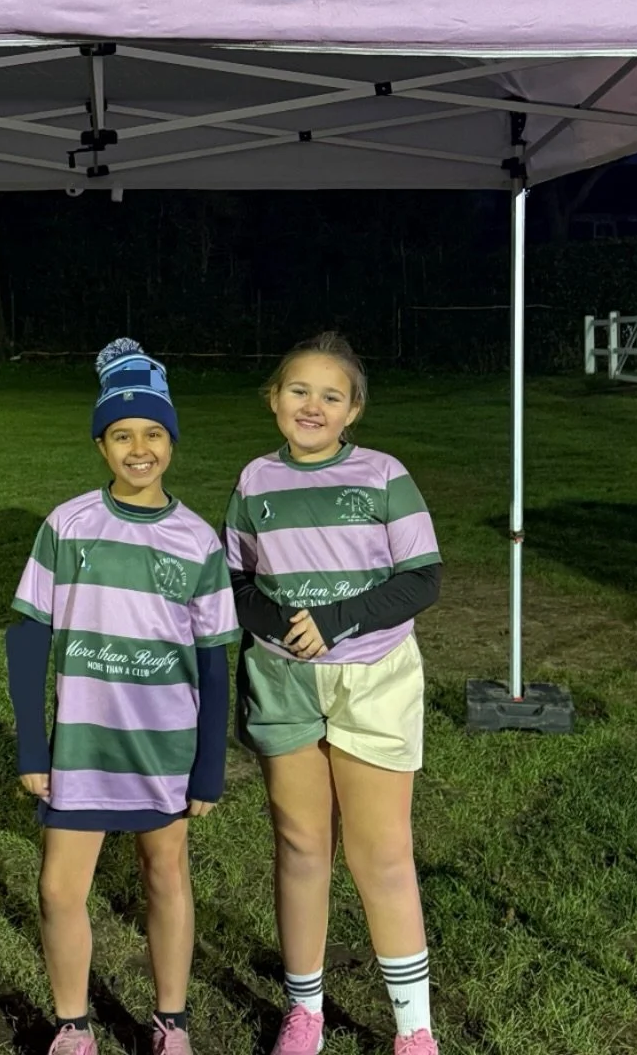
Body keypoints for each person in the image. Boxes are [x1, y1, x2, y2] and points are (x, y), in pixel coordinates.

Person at [7, 338, 239, 1055]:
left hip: (163, 744)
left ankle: (171, 1022)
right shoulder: (67, 526)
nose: (139, 449)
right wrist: (31, 743)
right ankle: (74, 1026)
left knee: (164, 874)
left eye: (152, 434)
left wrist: (207, 765)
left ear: (171, 440)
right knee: (57, 888)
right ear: (101, 444)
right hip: (83, 743)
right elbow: (27, 638)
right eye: (121, 435)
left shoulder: (198, 541)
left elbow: (212, 664)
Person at [224, 332, 444, 1055]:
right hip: (282, 679)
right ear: (273, 400)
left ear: (354, 411)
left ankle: (414, 1030)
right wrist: (283, 631)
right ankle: (305, 1012)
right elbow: (236, 586)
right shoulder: (255, 480)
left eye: (330, 395)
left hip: (373, 678)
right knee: (299, 844)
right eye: (298, 391)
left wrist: (339, 618)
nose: (312, 405)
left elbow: (421, 578)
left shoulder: (383, 475)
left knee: (381, 854)